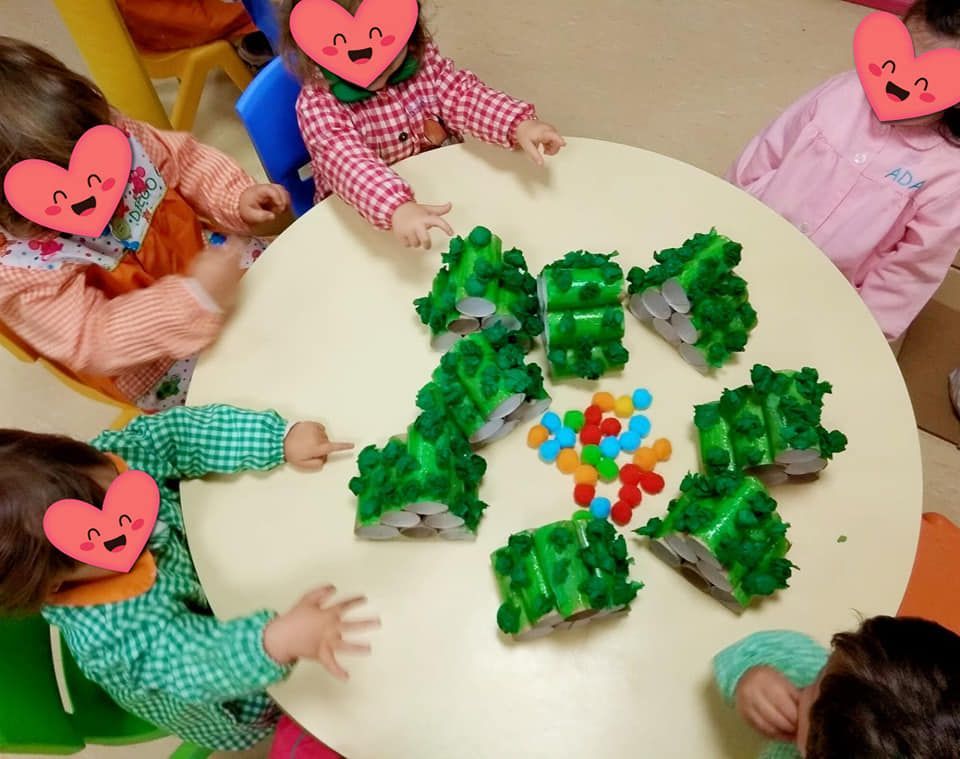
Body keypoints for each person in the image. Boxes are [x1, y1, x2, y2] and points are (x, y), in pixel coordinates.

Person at [0, 404, 373, 753]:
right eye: (109, 537)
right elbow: (193, 662)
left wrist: (275, 439)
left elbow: (174, 435)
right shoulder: (119, 634)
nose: (133, 518)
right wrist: (276, 641)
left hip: (221, 574)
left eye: (118, 482)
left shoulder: (109, 463)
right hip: (231, 690)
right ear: (54, 585)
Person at [0, 37, 292, 411]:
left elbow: (184, 162)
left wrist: (234, 197)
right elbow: (93, 339)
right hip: (160, 362)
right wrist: (195, 298)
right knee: (266, 403)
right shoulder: (20, 272)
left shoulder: (108, 136)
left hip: (218, 263)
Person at [725, 0, 960, 341]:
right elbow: (771, 146)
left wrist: (862, 332)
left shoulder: (948, 174)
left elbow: (912, 268)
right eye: (901, 59)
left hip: (825, 292)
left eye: (932, 79)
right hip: (752, 236)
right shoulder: (843, 93)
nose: (902, 83)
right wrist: (729, 201)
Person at [279, 0, 566, 249]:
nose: (373, 65)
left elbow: (461, 95)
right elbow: (346, 161)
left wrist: (517, 123)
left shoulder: (423, 60)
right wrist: (396, 207)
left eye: (387, 49)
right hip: (365, 216)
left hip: (442, 192)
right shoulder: (318, 103)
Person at [714, 616, 960, 757]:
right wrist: (750, 676)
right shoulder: (843, 682)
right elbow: (762, 650)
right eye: (822, 669)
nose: (802, 690)